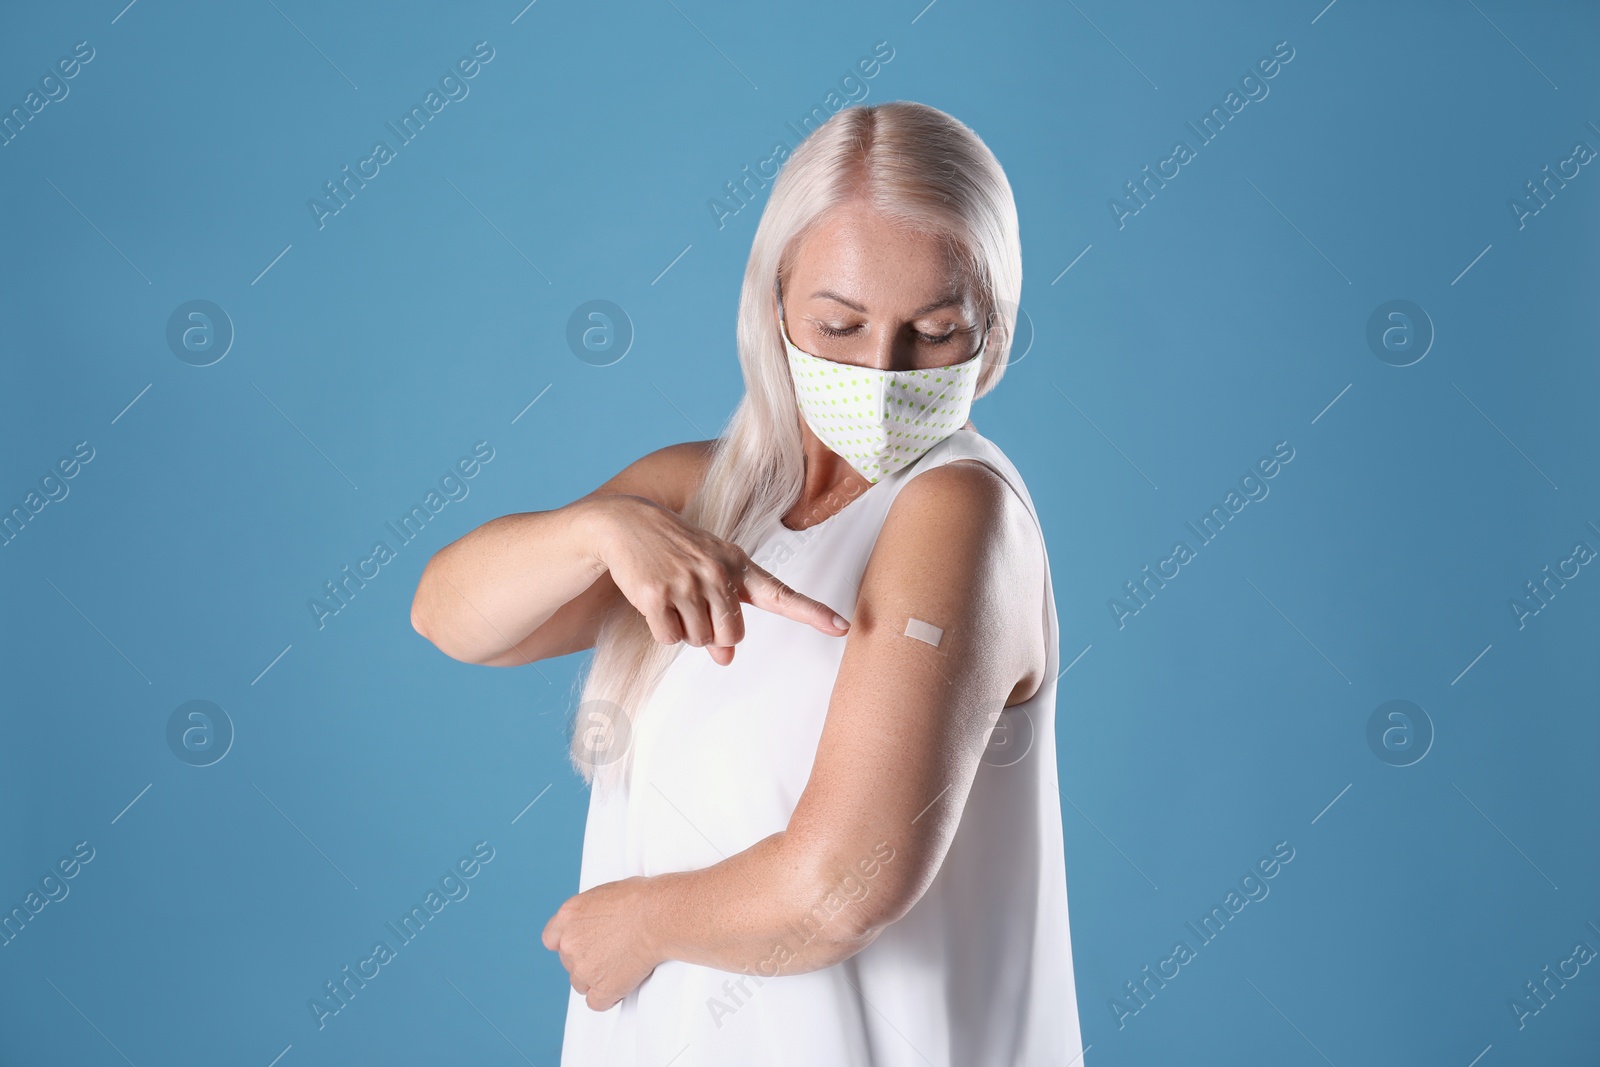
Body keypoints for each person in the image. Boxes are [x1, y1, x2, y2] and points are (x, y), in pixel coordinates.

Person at [410, 100, 1086, 1067]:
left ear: (994, 335)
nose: (882, 371)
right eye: (841, 325)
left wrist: (640, 924)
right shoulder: (707, 493)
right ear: (775, 304)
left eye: (934, 333)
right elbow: (449, 616)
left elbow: (846, 879)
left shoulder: (960, 512)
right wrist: (603, 527)